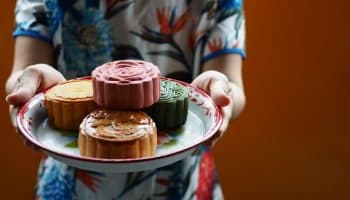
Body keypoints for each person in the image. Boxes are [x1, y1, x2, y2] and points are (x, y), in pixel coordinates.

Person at [5, 0, 246, 199]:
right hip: (70, 186)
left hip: (181, 186)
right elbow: (22, 72)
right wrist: (28, 86)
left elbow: (231, 86)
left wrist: (221, 95)